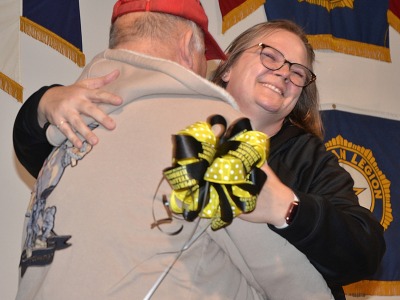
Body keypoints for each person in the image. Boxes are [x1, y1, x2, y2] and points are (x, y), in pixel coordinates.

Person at [13, 6, 385, 300]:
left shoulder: (310, 156)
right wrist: (44, 102)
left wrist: (285, 207)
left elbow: (365, 250)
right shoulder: (172, 124)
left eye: (299, 71)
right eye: (270, 56)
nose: (285, 73)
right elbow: (61, 169)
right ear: (225, 68)